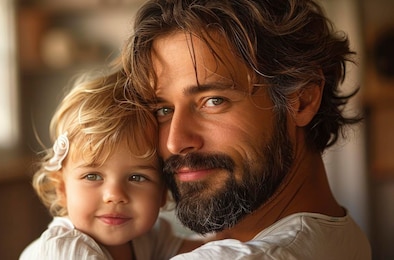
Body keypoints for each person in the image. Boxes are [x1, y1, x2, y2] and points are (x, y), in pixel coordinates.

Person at [118, 0, 372, 259]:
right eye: (163, 110)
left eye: (213, 101)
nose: (175, 142)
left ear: (303, 99)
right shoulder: (339, 235)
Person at [20, 70, 201, 260]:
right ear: (62, 189)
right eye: (92, 176)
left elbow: (215, 251)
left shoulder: (149, 237)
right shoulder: (66, 250)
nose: (115, 195)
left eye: (136, 177)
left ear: (162, 192)